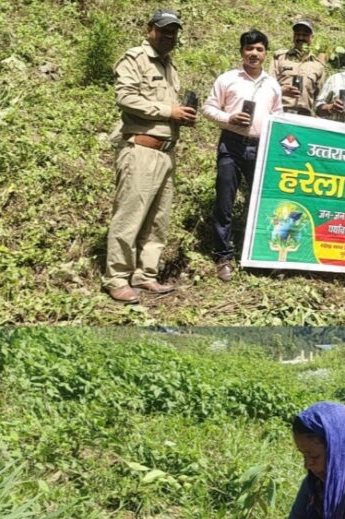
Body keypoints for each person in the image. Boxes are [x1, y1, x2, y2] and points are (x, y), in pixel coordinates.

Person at [102, 10, 197, 304]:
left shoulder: (171, 66)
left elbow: (163, 107)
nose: (169, 36)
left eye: (174, 32)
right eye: (164, 30)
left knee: (158, 220)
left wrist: (181, 117)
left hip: (166, 153)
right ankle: (116, 278)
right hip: (140, 150)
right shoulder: (135, 58)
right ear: (150, 29)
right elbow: (126, 97)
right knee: (130, 216)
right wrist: (169, 111)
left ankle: (145, 275)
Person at [203, 30, 283, 282]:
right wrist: (229, 118)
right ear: (241, 52)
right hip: (232, 145)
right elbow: (208, 107)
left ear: (265, 54)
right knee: (225, 201)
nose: (254, 54)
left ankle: (258, 256)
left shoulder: (272, 83)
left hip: (261, 147)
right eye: (249, 49)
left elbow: (278, 115)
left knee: (261, 205)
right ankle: (223, 256)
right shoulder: (227, 79)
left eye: (259, 49)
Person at [269, 19, 325, 116]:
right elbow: (269, 87)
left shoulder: (318, 65)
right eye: (297, 34)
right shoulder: (280, 58)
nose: (301, 37)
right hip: (280, 111)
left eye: (305, 35)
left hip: (304, 115)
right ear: (293, 36)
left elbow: (318, 95)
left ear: (312, 37)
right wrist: (282, 90)